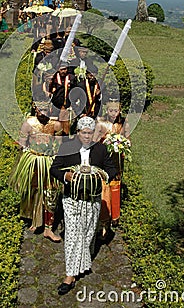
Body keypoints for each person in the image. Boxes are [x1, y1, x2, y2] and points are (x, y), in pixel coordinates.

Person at [50, 116, 117, 295]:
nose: (87, 136)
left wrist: (102, 176)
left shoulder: (101, 149)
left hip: (92, 199)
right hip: (72, 199)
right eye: (84, 133)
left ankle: (84, 260)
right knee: (72, 235)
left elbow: (112, 170)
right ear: (78, 132)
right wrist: (66, 177)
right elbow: (54, 168)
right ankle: (70, 275)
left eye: (90, 133)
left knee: (87, 233)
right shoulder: (67, 147)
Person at [10, 100, 63, 242]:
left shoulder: (55, 125)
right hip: (33, 162)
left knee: (50, 193)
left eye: (46, 110)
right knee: (33, 190)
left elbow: (59, 145)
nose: (43, 113)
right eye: (40, 110)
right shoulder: (29, 123)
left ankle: (48, 228)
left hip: (49, 162)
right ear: (35, 109)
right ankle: (34, 219)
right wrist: (25, 155)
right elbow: (22, 143)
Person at [94, 99, 131, 236]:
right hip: (104, 160)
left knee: (115, 186)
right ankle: (103, 220)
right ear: (107, 111)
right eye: (111, 111)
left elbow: (127, 138)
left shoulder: (122, 125)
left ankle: (115, 216)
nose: (114, 114)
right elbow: (94, 141)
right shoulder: (101, 124)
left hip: (117, 160)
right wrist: (104, 140)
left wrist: (124, 144)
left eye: (116, 111)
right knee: (104, 188)